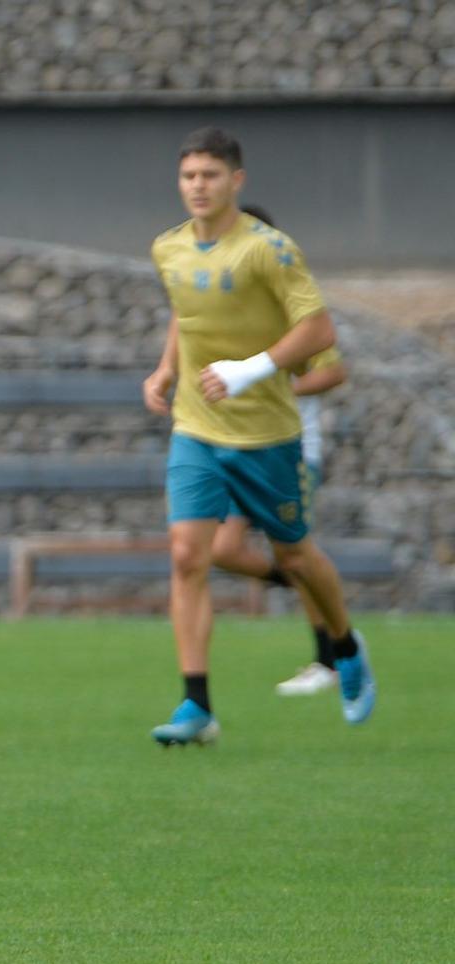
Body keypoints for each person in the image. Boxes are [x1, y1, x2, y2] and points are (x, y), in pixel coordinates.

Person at [140, 128, 376, 746]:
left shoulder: (270, 250)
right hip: (196, 428)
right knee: (189, 555)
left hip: (266, 434)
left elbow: (321, 332)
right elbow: (186, 315)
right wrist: (167, 369)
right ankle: (197, 706)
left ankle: (346, 649)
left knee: (295, 555)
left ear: (236, 181)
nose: (198, 186)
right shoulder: (167, 249)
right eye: (189, 175)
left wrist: (252, 370)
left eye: (210, 176)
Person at [204, 203, 352, 697]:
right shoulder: (216, 305)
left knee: (294, 553)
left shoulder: (291, 302)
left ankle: (329, 662)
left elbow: (332, 371)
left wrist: (269, 385)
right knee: (221, 549)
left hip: (289, 449)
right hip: (233, 447)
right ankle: (315, 592)